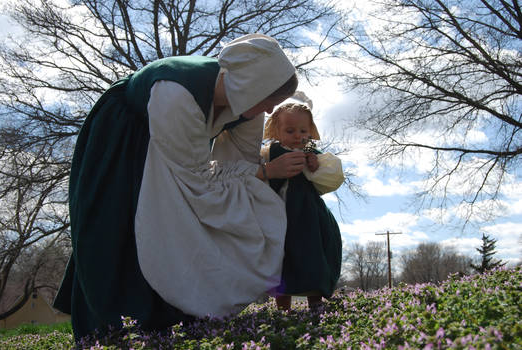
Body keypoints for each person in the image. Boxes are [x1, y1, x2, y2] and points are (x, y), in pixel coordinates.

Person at [53, 33, 308, 341]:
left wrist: (261, 174)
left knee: (175, 222)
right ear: (254, 85)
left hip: (181, 152)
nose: (269, 112)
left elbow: (238, 167)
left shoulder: (246, 105)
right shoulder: (176, 93)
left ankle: (168, 313)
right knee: (117, 221)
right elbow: (200, 179)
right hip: (123, 140)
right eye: (270, 101)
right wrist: (264, 172)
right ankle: (112, 323)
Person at [261, 99, 344, 311]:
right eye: (290, 130)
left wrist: (316, 165)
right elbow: (260, 173)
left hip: (309, 215)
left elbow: (329, 174)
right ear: (276, 131)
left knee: (313, 254)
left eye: (303, 130)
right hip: (281, 212)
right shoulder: (271, 151)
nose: (297, 135)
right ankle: (282, 308)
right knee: (283, 258)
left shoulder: (311, 151)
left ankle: (316, 304)